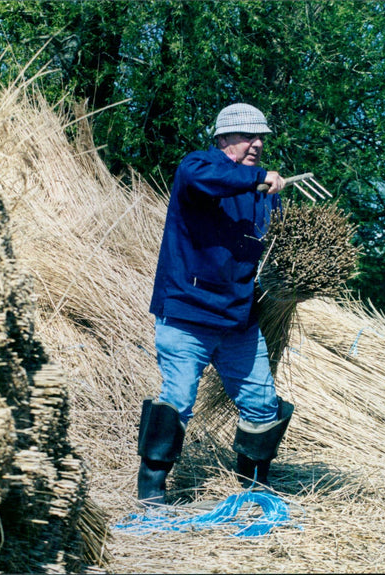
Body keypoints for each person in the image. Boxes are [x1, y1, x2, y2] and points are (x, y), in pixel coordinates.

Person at [137, 103, 295, 505]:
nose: (257, 143)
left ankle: (254, 489)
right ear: (224, 139)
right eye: (248, 136)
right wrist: (258, 178)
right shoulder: (199, 167)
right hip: (187, 313)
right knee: (178, 400)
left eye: (262, 138)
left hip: (237, 320)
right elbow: (209, 177)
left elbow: (271, 248)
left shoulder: (262, 195)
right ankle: (152, 492)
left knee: (262, 404)